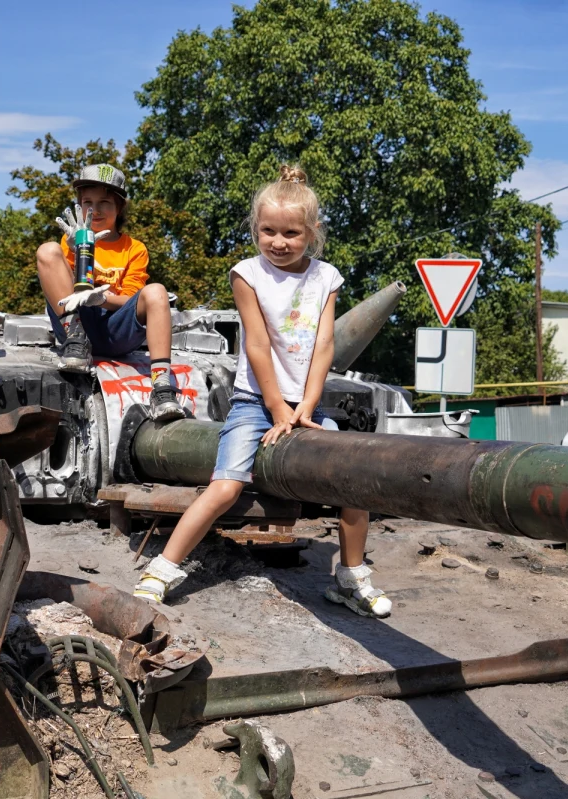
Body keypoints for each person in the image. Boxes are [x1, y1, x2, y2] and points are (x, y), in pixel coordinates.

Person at [133, 165, 392, 619]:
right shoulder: (247, 273)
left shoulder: (325, 278)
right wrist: (276, 407)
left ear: (311, 233)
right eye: (268, 231)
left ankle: (352, 576)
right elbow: (256, 343)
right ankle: (163, 568)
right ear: (256, 229)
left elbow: (325, 345)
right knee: (226, 486)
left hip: (307, 402)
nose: (278, 241)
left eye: (291, 233)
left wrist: (306, 405)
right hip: (257, 402)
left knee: (354, 480)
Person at [35, 164, 183, 422]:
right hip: (76, 326)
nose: (96, 209)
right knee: (46, 251)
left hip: (115, 330)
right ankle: (76, 342)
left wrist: (102, 298)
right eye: (87, 202)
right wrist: (75, 249)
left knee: (157, 291)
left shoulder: (133, 248)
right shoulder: (69, 242)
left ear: (120, 207)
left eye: (105, 202)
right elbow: (62, 288)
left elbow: (131, 300)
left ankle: (161, 386)